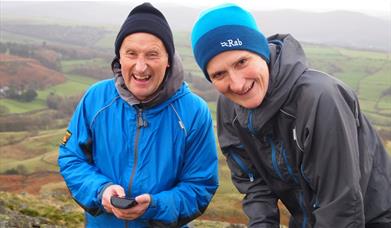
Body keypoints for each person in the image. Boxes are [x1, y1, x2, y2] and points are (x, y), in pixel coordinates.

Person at [191, 3, 391, 228]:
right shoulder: (230, 106)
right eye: (219, 74)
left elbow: (341, 207)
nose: (237, 84)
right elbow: (253, 182)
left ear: (261, 51)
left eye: (241, 62)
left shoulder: (320, 100)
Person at [58, 2, 219, 227]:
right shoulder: (96, 98)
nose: (140, 67)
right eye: (131, 54)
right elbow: (71, 157)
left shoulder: (194, 112)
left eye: (152, 55)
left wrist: (155, 206)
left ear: (169, 60)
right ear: (119, 57)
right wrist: (101, 191)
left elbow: (200, 186)